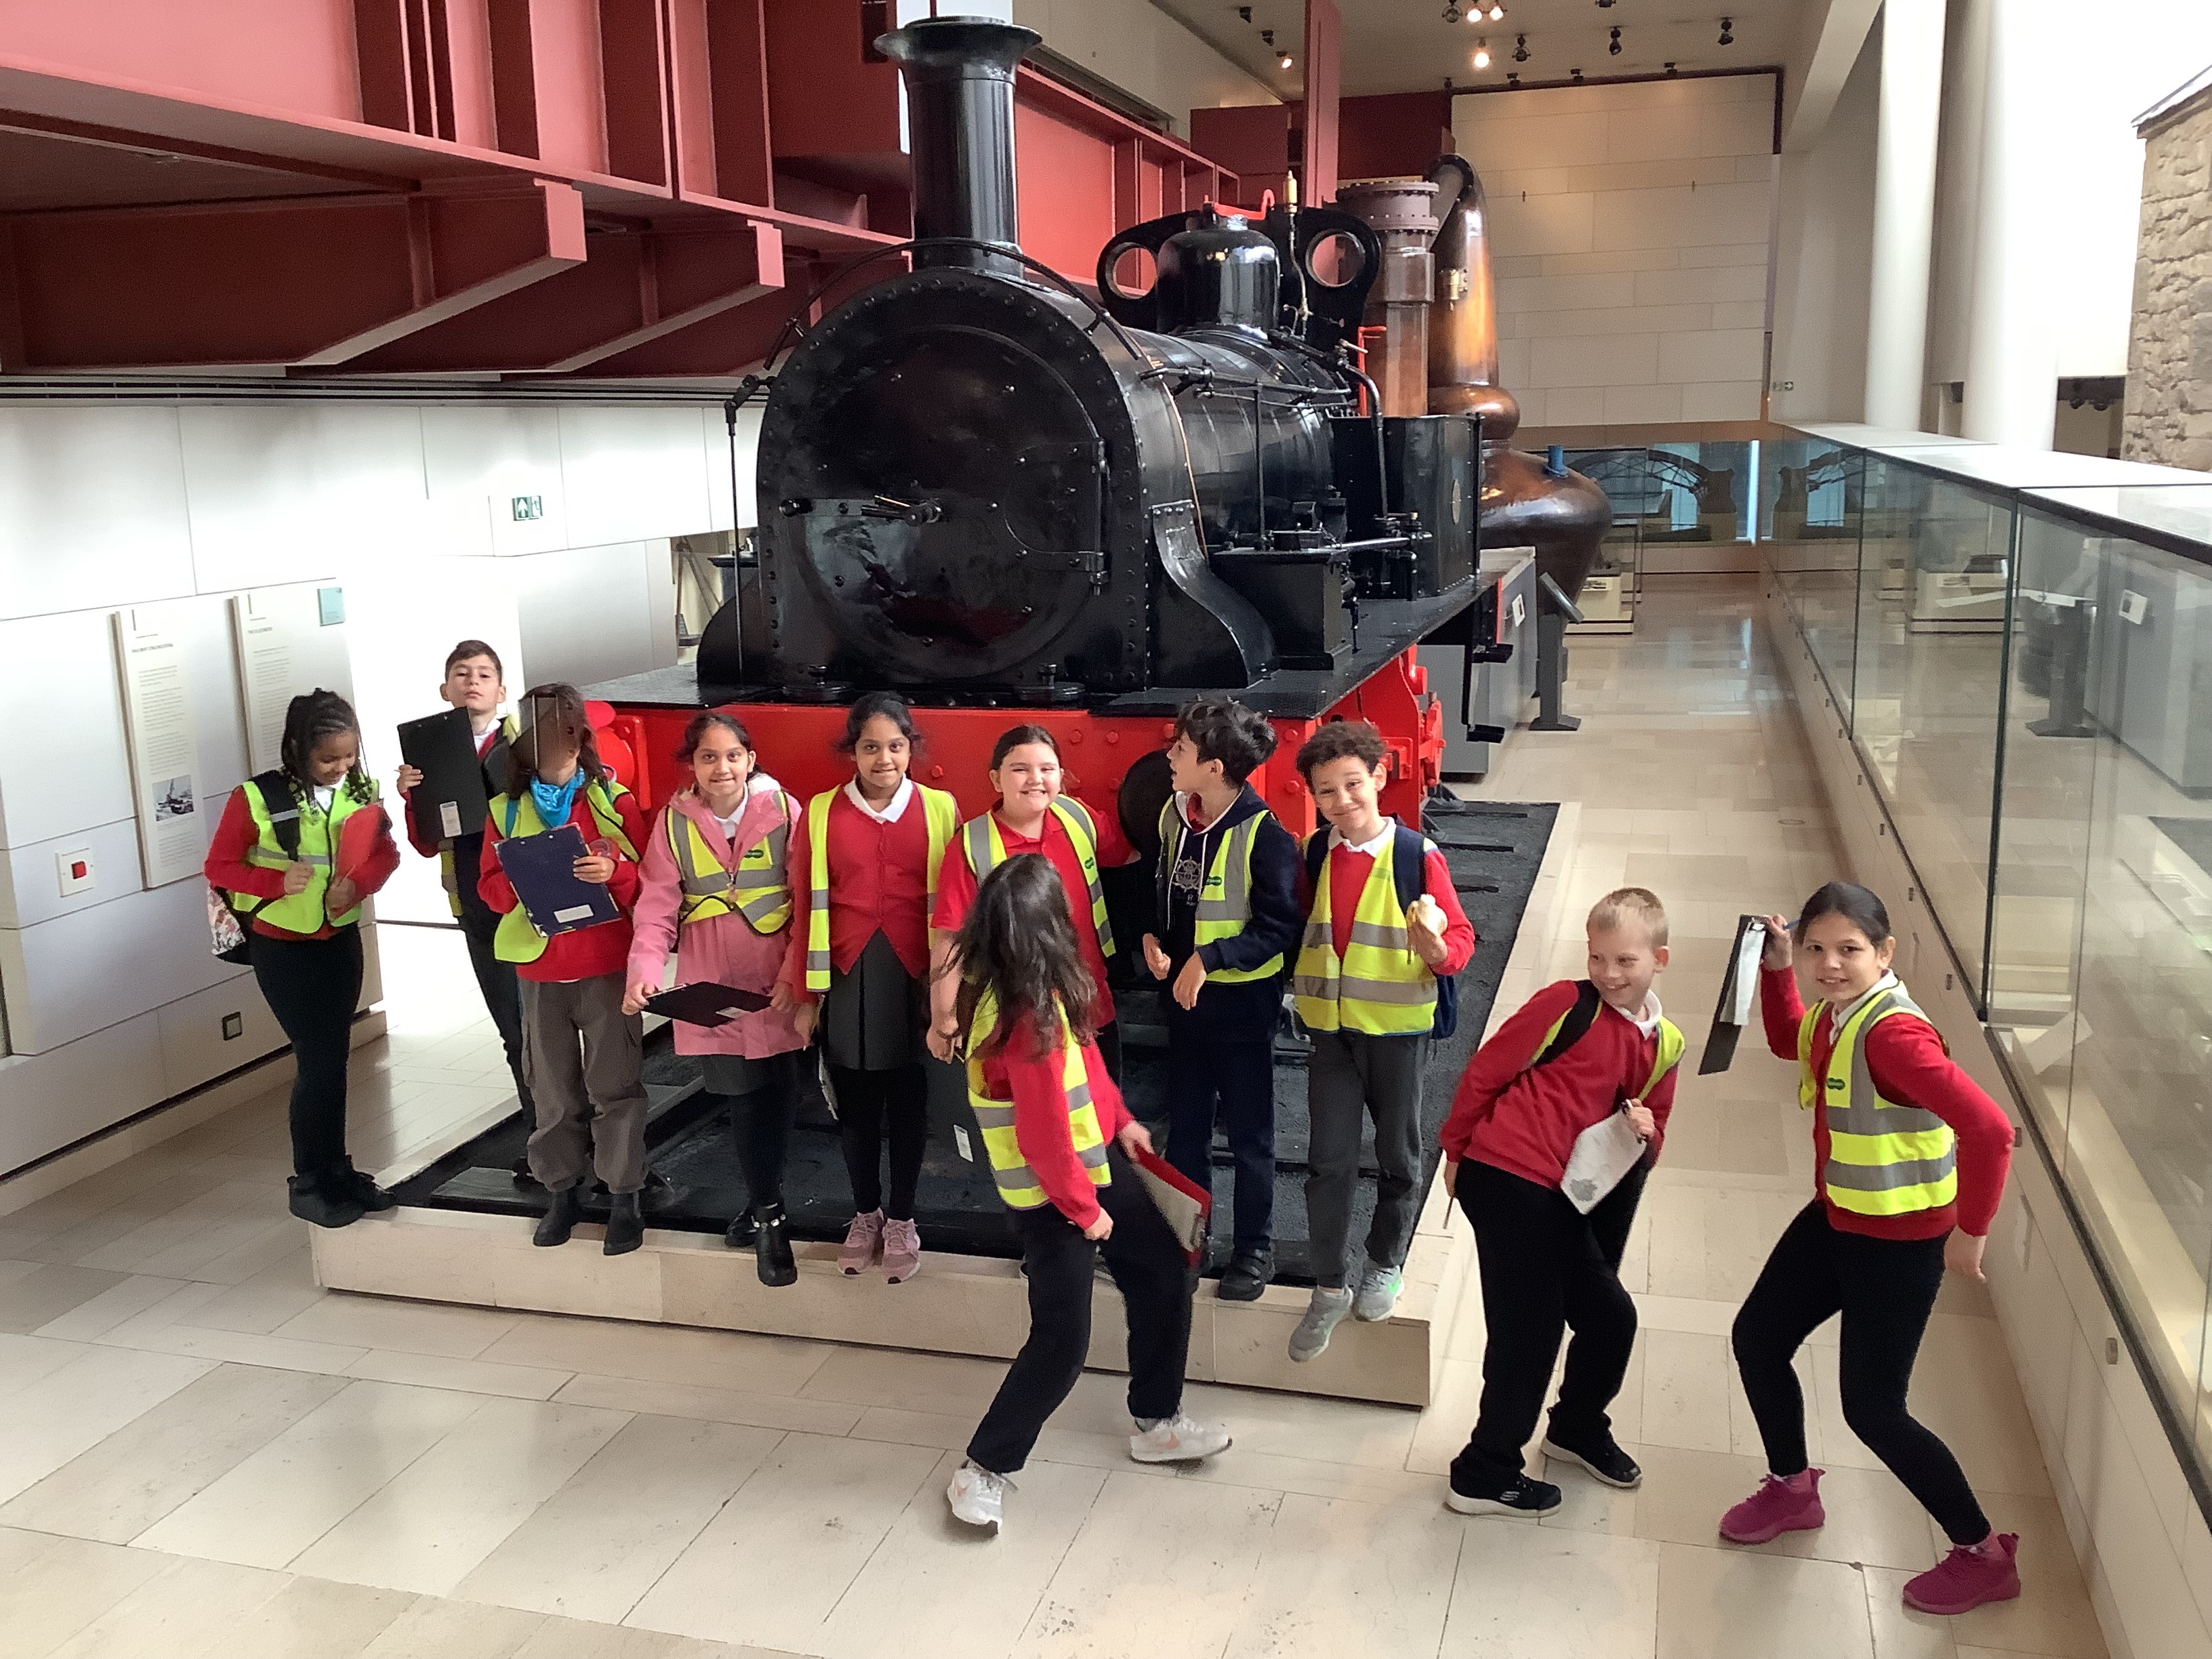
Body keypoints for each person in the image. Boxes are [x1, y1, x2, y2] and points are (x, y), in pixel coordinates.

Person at [1722, 881, 2021, 1617]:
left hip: (1899, 1244)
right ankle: (1792, 1488)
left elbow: (1990, 1130)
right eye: (1816, 949)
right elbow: (1787, 1040)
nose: (1829, 964)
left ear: (1884, 953)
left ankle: (1983, 1554)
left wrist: (1972, 1231)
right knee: (1759, 1338)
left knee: (1874, 1409)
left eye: (1849, 950)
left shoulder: (1893, 1036)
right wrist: (1776, 971)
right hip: (1839, 1216)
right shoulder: (1840, 1014)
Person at [942, 855, 1230, 1534]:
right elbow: (1043, 1139)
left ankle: (1157, 1421)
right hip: (1056, 1198)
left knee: (1163, 1269)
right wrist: (1087, 1213)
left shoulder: (1028, 989)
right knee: (1062, 1340)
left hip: (1093, 1164)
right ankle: (983, 1469)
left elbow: (1087, 1056)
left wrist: (1120, 1119)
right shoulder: (1027, 1017)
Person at [1435, 886, 1685, 1516]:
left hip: (1563, 1196)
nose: (1609, 973)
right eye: (1598, 957)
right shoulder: (1565, 1004)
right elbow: (1487, 1071)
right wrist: (1456, 1151)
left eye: (1625, 961)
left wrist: (1648, 1132)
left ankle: (1575, 1427)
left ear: (1659, 959)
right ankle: (1483, 1472)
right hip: (1506, 1177)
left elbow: (1652, 1132)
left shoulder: (1666, 1044)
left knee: (1609, 1318)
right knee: (1530, 1333)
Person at [1287, 720, 1475, 1363]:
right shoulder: (1316, 852)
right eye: (1326, 791)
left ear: (1379, 777)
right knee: (1328, 1161)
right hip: (1332, 1034)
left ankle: (1385, 1262)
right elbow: (1305, 925)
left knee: (1398, 1154)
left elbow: (1460, 940)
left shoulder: (1416, 856)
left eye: (1352, 784)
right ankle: (1329, 1284)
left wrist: (1438, 951)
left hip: (1397, 1034)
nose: (1342, 800)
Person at [774, 693, 960, 1283]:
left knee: (908, 1101)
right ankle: (864, 1213)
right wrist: (805, 996)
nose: (885, 759)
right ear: (852, 752)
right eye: (871, 747)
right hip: (846, 974)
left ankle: (902, 1217)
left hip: (917, 977)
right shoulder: (820, 813)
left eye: (896, 746)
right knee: (854, 1104)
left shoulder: (940, 808)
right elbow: (804, 905)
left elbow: (958, 906)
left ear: (911, 749)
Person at [205, 689, 401, 1228]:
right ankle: (309, 1182)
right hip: (282, 945)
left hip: (339, 937)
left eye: (349, 756)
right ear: (297, 750)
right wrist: (274, 881)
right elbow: (220, 865)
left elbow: (385, 854)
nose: (341, 768)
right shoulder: (255, 798)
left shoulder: (360, 790)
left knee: (335, 1059)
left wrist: (359, 885)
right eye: (328, 759)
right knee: (317, 1061)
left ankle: (337, 1170)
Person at [625, 713, 808, 1285]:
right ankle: (770, 1218)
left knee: (781, 1090)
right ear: (693, 765)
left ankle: (763, 1197)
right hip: (712, 987)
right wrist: (644, 971)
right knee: (743, 1097)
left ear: (750, 760)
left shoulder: (786, 811)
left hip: (776, 981)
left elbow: (806, 898)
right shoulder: (672, 823)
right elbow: (656, 904)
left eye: (732, 756)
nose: (721, 768)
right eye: (708, 757)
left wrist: (797, 976)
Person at [479, 683, 652, 1256]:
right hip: (541, 970)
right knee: (551, 1088)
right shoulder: (504, 810)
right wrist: (522, 879)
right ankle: (561, 1191)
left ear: (582, 741)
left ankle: (624, 1193)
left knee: (615, 1083)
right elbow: (489, 889)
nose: (561, 752)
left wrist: (614, 874)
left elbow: (650, 882)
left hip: (605, 962)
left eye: (570, 740)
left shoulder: (614, 802)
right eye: (547, 741)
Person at [1138, 697, 1300, 1301]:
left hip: (1242, 1012)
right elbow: (1162, 895)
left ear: (1213, 766)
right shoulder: (1174, 816)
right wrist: (1153, 941)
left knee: (1251, 1136)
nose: (1169, 757)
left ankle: (1255, 1248)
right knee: (1186, 1133)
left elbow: (1279, 928)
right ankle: (1188, 1241)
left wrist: (1211, 959)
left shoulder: (1265, 835)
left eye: (1179, 749)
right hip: (1185, 1010)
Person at [927, 724, 1137, 1080]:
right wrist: (943, 1018)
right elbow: (949, 938)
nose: (1035, 779)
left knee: (1104, 1102)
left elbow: (1129, 855)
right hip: (1014, 1014)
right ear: (996, 779)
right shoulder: (971, 845)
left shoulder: (1078, 818)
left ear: (1061, 776)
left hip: (1089, 1003)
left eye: (1047, 769)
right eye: (1020, 769)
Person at [393, 640, 532, 1122]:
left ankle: (574, 1132)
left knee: (548, 1028)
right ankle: (542, 1135)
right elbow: (427, 844)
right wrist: (413, 797)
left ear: (502, 692)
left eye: (484, 674)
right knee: (512, 1029)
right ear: (444, 689)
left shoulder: (526, 745)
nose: (473, 682)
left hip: (529, 901)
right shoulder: (427, 756)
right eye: (462, 673)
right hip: (476, 907)